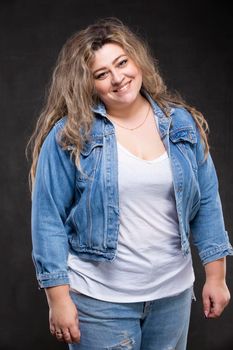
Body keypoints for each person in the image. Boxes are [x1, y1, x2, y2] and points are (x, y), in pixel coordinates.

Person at [28, 17, 233, 350]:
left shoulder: (180, 123)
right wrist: (58, 298)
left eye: (122, 62)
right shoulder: (72, 135)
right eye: (101, 73)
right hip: (99, 301)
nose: (118, 78)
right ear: (88, 83)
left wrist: (216, 276)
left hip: (172, 295)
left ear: (137, 60)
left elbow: (207, 199)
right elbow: (47, 218)